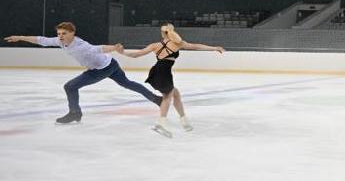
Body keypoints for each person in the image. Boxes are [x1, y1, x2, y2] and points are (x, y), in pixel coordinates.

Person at [4, 22, 162, 124]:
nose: (60, 36)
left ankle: (75, 113)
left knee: (70, 86)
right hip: (111, 63)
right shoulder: (60, 42)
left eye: (64, 33)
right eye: (59, 33)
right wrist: (20, 37)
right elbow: (41, 40)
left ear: (72, 33)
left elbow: (98, 48)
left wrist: (114, 47)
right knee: (128, 83)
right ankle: (157, 99)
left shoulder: (80, 46)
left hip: (101, 69)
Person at [118, 23, 224, 138]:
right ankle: (161, 124)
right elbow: (196, 46)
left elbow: (136, 55)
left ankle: (184, 121)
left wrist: (122, 53)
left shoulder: (155, 45)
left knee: (175, 94)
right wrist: (214, 48)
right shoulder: (177, 44)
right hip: (164, 73)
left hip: (157, 72)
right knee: (167, 97)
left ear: (162, 33)